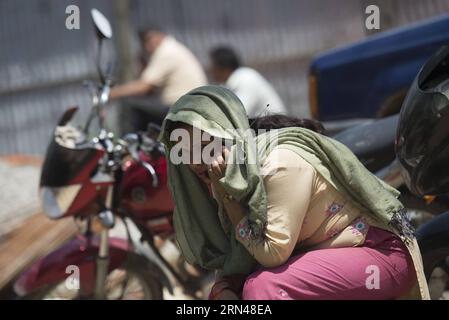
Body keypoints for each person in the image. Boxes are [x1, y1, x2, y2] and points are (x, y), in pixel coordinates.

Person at [157, 85, 430, 300]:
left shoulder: (277, 163)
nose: (195, 159)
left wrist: (230, 200)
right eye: (184, 149)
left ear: (228, 131)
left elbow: (271, 254)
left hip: (381, 257)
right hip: (323, 259)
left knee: (263, 288)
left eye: (202, 141)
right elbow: (238, 260)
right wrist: (224, 288)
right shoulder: (228, 177)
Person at [110, 25, 207, 131]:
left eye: (150, 40)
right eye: (145, 43)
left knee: (128, 107)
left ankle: (130, 146)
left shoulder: (166, 52)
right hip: (189, 106)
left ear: (160, 35)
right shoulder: (172, 48)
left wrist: (111, 93)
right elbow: (149, 90)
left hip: (183, 108)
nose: (148, 47)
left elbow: (143, 87)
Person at [209, 46, 287, 119]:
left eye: (213, 66)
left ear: (224, 67)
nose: (211, 70)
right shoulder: (230, 83)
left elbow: (238, 115)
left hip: (274, 128)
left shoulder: (245, 78)